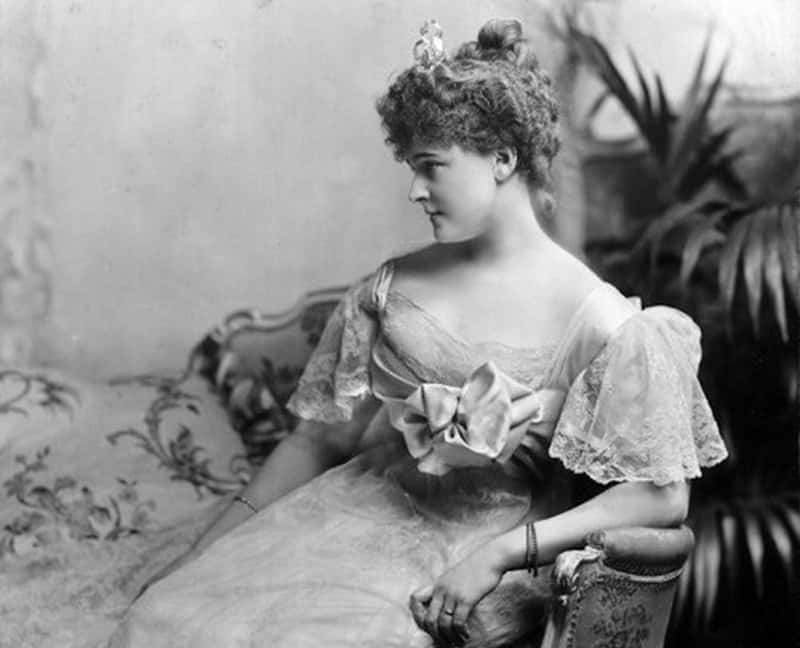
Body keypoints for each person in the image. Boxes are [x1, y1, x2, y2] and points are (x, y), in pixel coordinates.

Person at [108, 17, 728, 648]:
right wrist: (206, 551)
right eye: (412, 167)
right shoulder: (389, 288)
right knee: (166, 618)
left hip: (482, 552)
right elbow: (317, 441)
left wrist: (502, 555)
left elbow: (660, 499)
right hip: (355, 517)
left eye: (432, 167)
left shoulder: (601, 319)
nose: (414, 191)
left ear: (503, 159)